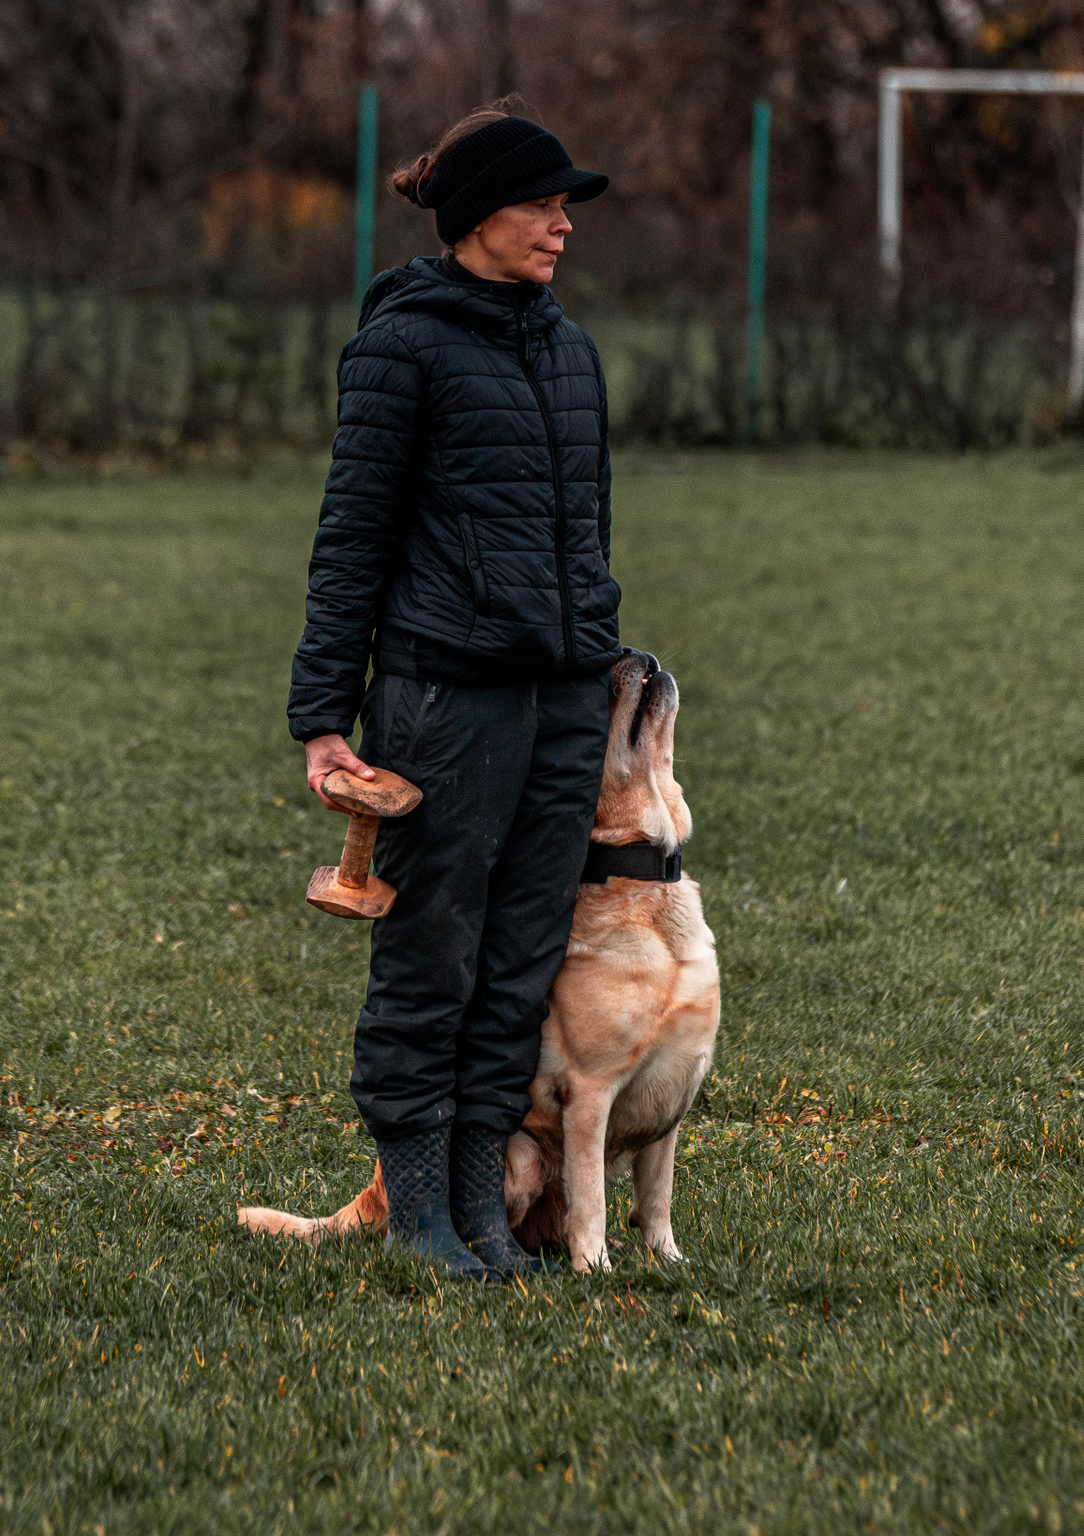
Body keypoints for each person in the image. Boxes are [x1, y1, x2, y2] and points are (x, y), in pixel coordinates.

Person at [286, 103, 617, 1281]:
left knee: (520, 963)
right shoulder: (402, 348)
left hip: (563, 703)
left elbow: (589, 532)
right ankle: (417, 1212)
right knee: (433, 956)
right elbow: (353, 537)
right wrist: (324, 716)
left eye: (567, 207)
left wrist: (595, 656)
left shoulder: (569, 352)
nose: (563, 225)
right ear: (478, 216)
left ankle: (482, 1209)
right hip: (446, 702)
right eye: (543, 205)